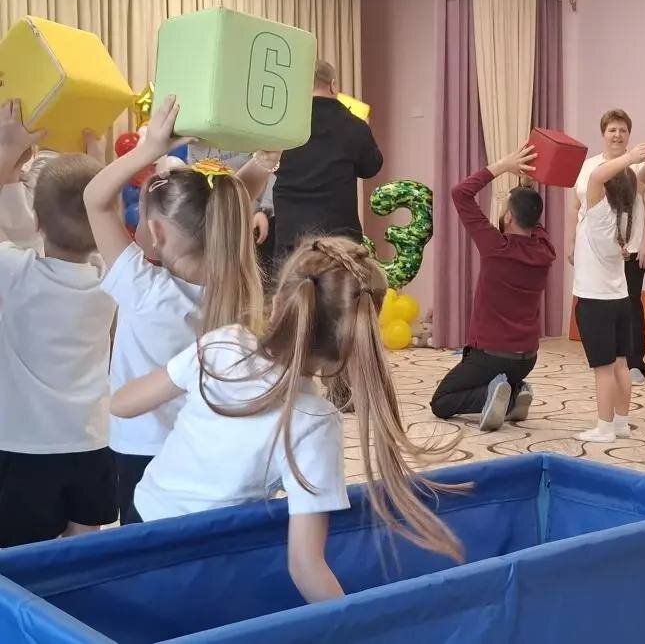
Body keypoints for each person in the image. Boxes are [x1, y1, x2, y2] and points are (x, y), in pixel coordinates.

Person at [110, 237, 463, 603]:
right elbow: (306, 566)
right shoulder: (314, 422)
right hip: (203, 561)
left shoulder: (222, 343)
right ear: (354, 342)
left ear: (279, 302)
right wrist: (359, 624)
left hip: (138, 528)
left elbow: (122, 404)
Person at [84, 95, 277, 523]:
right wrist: (264, 161)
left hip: (141, 448)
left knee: (144, 541)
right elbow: (227, 204)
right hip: (208, 442)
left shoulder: (144, 289)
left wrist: (149, 149)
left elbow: (94, 199)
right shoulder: (237, 290)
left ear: (155, 231)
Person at [0, 101, 117, 547]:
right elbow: (94, 217)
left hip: (22, 446)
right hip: (90, 441)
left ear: (37, 221)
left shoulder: (15, 273)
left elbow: (20, 232)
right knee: (84, 550)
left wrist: (8, 150)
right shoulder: (111, 277)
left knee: (20, 561)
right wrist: (99, 163)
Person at [429, 144, 555, 431]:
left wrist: (503, 165)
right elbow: (533, 220)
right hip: (527, 358)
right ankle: (515, 389)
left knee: (442, 402)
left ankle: (502, 396)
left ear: (508, 217)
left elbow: (460, 193)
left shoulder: (495, 245)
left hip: (491, 356)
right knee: (492, 374)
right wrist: (526, 186)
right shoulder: (545, 250)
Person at [573, 142, 645, 443]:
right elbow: (643, 181)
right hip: (620, 300)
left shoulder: (598, 213)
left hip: (596, 302)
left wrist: (630, 157)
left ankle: (604, 427)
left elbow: (596, 176)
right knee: (621, 364)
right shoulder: (629, 212)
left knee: (603, 369)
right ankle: (620, 422)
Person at [569, 110, 645, 386]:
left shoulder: (637, 165)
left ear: (629, 134)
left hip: (627, 247)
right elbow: (575, 206)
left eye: (622, 130)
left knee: (629, 303)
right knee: (597, 304)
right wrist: (571, 242)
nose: (617, 135)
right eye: (612, 130)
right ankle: (607, 359)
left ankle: (633, 363)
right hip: (593, 246)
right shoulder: (590, 167)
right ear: (603, 134)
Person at [273, 61, 383, 260]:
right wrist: (365, 131)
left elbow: (269, 164)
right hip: (339, 239)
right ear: (333, 85)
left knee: (291, 280)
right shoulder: (353, 125)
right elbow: (371, 167)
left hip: (291, 234)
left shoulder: (282, 123)